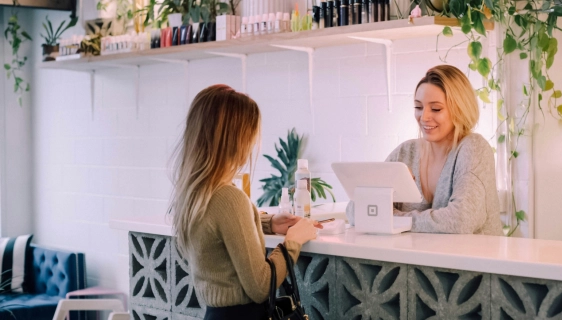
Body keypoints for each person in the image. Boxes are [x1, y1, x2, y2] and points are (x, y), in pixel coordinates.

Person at [169, 85, 321, 320]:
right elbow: (261, 286)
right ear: (236, 139)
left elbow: (219, 228)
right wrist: (293, 241)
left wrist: (267, 223)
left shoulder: (193, 193)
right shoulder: (229, 198)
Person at [347, 65, 502, 235]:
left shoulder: (474, 148)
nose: (424, 117)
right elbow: (355, 211)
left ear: (460, 109)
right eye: (418, 107)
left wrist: (394, 220)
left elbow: (461, 220)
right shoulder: (406, 152)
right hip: (419, 259)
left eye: (436, 109)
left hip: (472, 260)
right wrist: (387, 190)